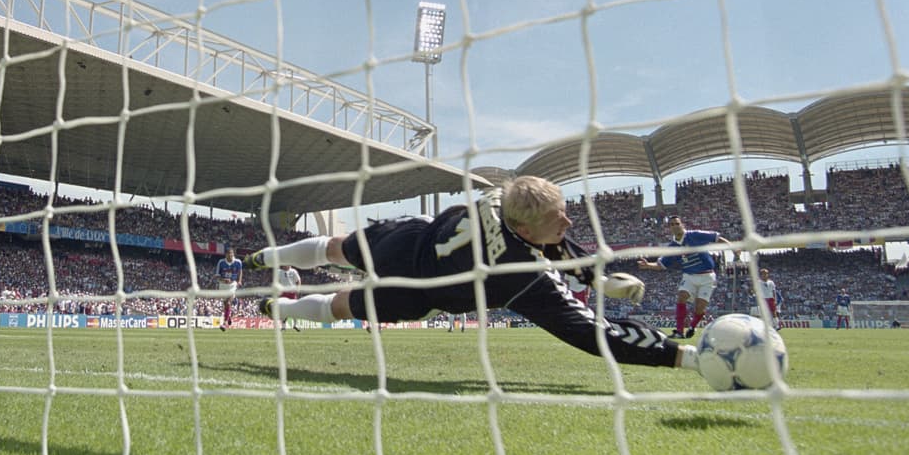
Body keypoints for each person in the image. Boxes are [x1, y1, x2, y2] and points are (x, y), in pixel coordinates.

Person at [244, 176, 700, 372]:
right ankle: (278, 310)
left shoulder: (500, 197)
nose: (568, 222)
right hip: (416, 289)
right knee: (340, 305)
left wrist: (595, 279)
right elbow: (587, 332)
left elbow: (551, 240)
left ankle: (266, 258)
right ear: (523, 228)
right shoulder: (519, 274)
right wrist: (675, 355)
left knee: (335, 248)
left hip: (409, 239)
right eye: (558, 216)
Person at [637, 215, 728, 339]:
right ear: (669, 228)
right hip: (689, 276)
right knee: (681, 297)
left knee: (699, 308)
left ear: (682, 225)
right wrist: (648, 265)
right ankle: (679, 331)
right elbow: (661, 265)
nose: (675, 226)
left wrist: (734, 248)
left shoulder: (694, 235)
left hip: (707, 276)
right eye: (672, 224)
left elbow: (716, 238)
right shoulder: (673, 247)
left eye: (677, 223)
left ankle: (692, 326)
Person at [216, 246, 243, 331]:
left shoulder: (238, 262)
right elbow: (217, 276)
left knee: (228, 303)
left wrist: (239, 281)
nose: (230, 255)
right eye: (229, 253)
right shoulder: (221, 262)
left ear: (233, 254)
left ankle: (224, 323)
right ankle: (228, 317)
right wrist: (223, 280)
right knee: (226, 305)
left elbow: (240, 271)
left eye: (232, 253)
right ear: (226, 254)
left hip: (232, 285)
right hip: (223, 285)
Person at [275, 264, 302, 332]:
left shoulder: (293, 271)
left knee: (294, 308)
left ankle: (295, 325)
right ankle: (283, 327)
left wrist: (298, 289)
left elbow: (298, 280)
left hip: (292, 292)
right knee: (283, 310)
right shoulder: (279, 272)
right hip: (283, 292)